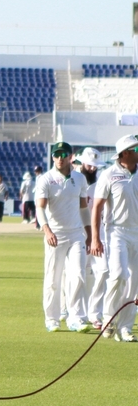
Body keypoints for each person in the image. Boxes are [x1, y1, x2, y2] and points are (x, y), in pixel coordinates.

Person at [35, 141, 91, 333]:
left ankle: (75, 317)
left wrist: (90, 233)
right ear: (53, 157)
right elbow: (40, 208)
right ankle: (52, 318)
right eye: (56, 154)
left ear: (70, 157)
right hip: (55, 234)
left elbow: (83, 208)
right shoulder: (46, 179)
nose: (59, 158)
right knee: (53, 278)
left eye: (63, 154)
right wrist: (47, 230)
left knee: (78, 275)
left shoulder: (79, 179)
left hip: (76, 234)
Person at [90, 135, 138, 342]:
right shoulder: (109, 175)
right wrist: (95, 238)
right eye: (135, 149)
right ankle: (109, 319)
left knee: (133, 283)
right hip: (117, 232)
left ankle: (125, 328)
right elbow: (97, 207)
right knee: (118, 275)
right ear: (125, 153)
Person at [79, 148, 107, 330]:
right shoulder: (76, 180)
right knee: (78, 274)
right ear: (82, 163)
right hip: (78, 232)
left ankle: (95, 313)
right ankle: (76, 313)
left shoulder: (102, 183)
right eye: (89, 165)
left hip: (99, 232)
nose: (92, 168)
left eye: (94, 166)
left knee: (103, 270)